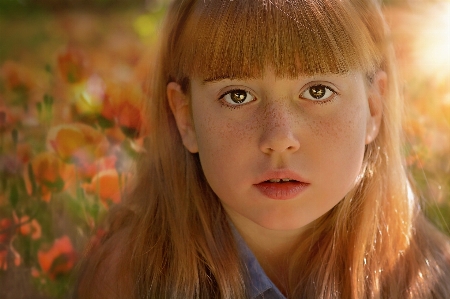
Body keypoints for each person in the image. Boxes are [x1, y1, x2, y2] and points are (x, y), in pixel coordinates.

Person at [74, 0, 450, 298]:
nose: (279, 137)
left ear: (373, 108)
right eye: (238, 95)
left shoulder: (430, 278)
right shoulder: (128, 280)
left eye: (317, 91)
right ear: (185, 117)